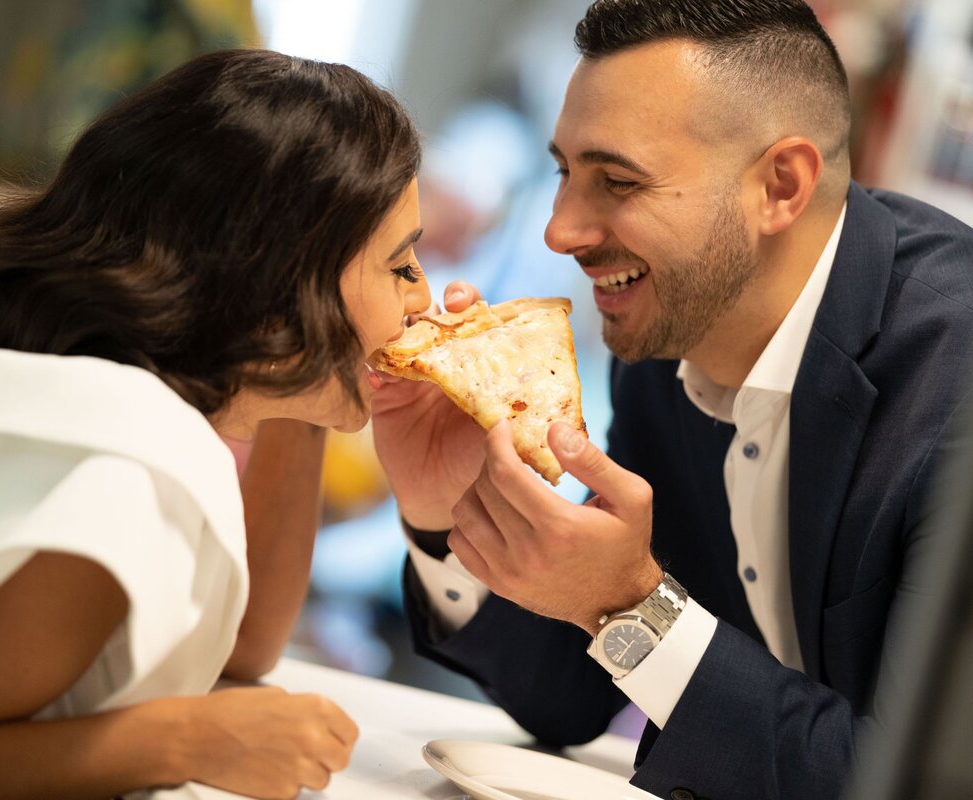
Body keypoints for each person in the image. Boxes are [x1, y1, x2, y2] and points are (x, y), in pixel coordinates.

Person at [0, 48, 432, 800]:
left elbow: (236, 647)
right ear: (279, 280)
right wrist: (183, 741)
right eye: (402, 266)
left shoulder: (128, 407)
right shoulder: (121, 461)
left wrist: (316, 375)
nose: (424, 301)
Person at [371, 1, 973, 798]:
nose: (560, 231)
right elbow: (568, 698)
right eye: (565, 173)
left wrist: (633, 603)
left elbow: (913, 780)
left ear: (781, 185)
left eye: (617, 180)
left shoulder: (955, 388)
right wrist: (447, 512)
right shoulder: (668, 339)